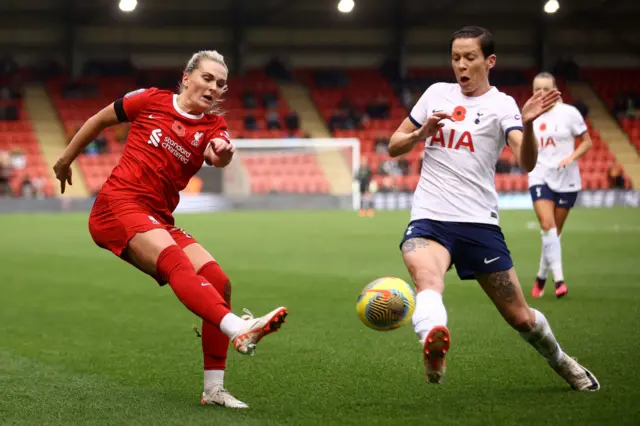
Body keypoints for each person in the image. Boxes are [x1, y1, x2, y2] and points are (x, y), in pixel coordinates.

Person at [53, 50, 288, 408]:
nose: (213, 88)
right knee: (176, 261)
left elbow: (216, 156)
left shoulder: (212, 127)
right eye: (207, 78)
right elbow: (99, 120)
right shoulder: (149, 100)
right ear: (187, 77)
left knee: (218, 279)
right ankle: (238, 329)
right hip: (116, 206)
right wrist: (65, 160)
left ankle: (213, 389)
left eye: (221, 84)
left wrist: (224, 153)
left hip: (158, 218)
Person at [387, 27, 599, 391]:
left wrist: (529, 124)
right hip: (429, 219)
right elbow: (394, 145)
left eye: (470, 58)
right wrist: (421, 133)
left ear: (490, 61)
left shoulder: (502, 105)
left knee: (520, 318)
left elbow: (526, 161)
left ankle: (562, 361)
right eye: (456, 58)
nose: (461, 66)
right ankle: (432, 342)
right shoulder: (436, 94)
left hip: (478, 225)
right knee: (428, 280)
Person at [528, 72, 593, 299]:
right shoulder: (530, 116)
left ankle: (541, 276)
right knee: (548, 226)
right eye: (537, 89)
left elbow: (587, 142)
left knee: (554, 234)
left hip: (567, 179)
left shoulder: (569, 114)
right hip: (539, 176)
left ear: (556, 90)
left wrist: (571, 157)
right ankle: (559, 280)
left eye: (546, 89)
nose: (541, 93)